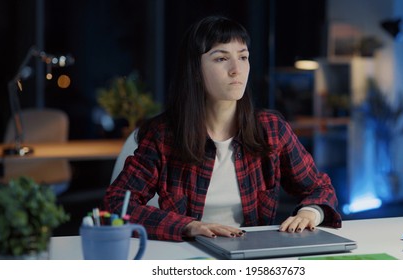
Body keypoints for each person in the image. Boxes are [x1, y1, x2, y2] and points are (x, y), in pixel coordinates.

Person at [104, 15, 342, 241]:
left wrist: (310, 213)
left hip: (252, 256)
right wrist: (187, 226)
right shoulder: (163, 135)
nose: (236, 70)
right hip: (188, 254)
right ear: (195, 70)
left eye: (243, 57)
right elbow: (116, 205)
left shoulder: (271, 130)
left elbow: (320, 187)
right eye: (221, 58)